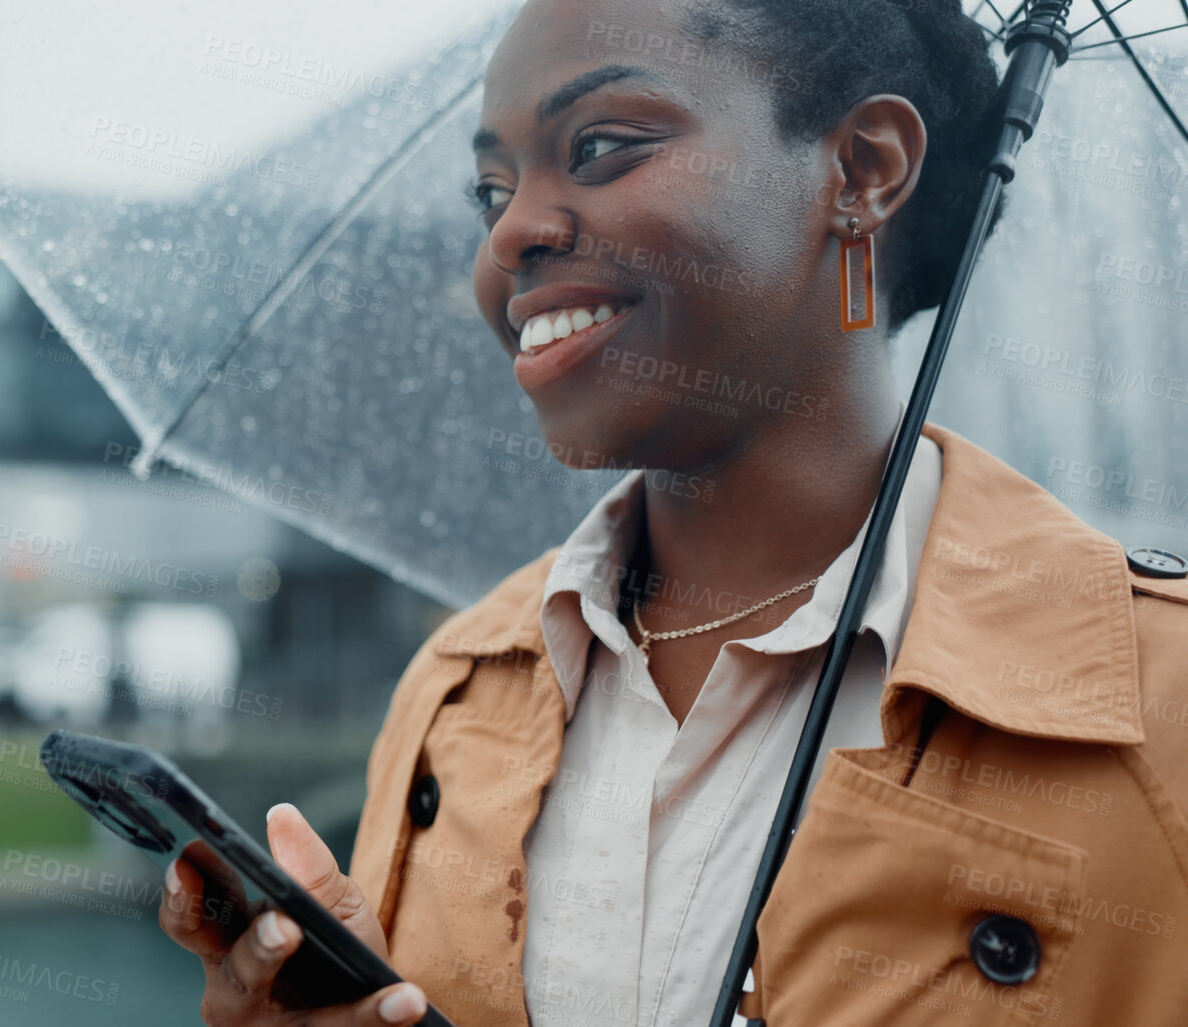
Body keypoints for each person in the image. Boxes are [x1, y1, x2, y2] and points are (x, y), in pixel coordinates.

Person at [160, 0, 1188, 1024]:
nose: (513, 230)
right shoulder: (454, 693)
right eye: (490, 190)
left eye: (599, 146)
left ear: (864, 169)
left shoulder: (1163, 707)